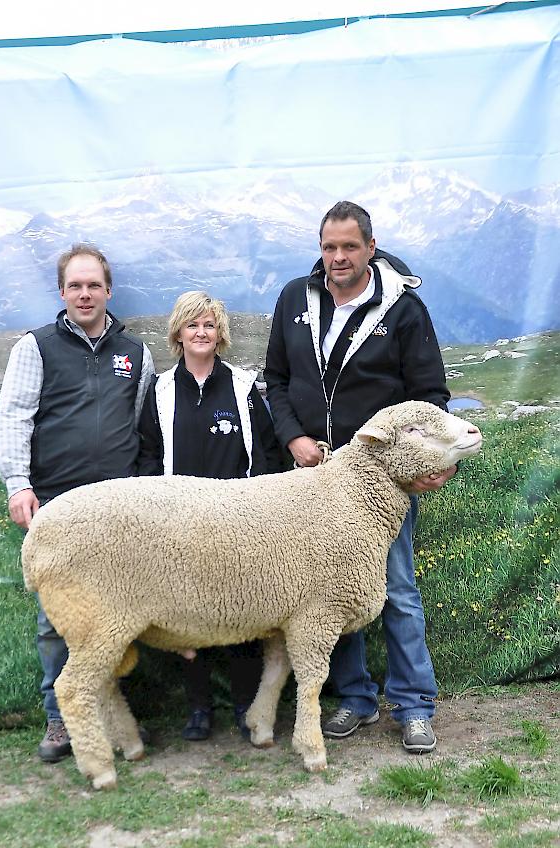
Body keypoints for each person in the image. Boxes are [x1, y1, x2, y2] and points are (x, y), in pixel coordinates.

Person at [264, 200, 455, 754]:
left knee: (395, 589)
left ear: (371, 247)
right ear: (319, 249)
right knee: (327, 592)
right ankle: (354, 697)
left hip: (379, 483)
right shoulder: (295, 299)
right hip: (313, 476)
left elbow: (431, 400)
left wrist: (432, 462)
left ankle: (415, 706)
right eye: (329, 247)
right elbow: (276, 378)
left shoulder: (403, 309)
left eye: (349, 247)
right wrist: (293, 438)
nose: (338, 258)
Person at [0, 243, 154, 762]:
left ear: (109, 290)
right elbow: (15, 417)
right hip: (57, 505)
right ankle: (61, 719)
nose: (85, 295)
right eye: (75, 286)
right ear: (62, 292)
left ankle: (112, 716)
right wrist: (19, 484)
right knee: (57, 618)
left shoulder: (135, 352)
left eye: (94, 285)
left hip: (117, 508)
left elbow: (139, 423)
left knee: (119, 613)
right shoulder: (35, 348)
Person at [138, 290, 283, 741]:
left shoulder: (241, 387)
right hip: (178, 523)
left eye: (209, 325)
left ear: (220, 335)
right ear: (177, 334)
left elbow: (266, 452)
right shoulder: (160, 390)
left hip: (238, 523)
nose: (201, 333)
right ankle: (198, 708)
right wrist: (153, 509)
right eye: (192, 325)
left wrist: (257, 510)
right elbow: (147, 453)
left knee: (243, 615)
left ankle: (243, 703)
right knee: (187, 619)